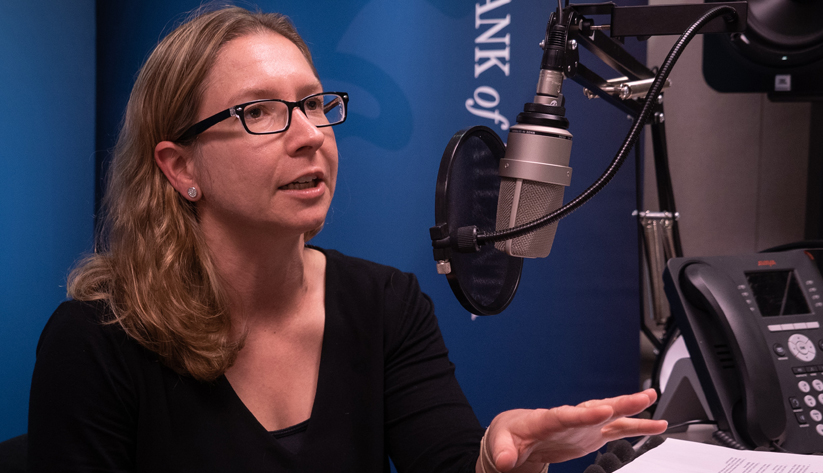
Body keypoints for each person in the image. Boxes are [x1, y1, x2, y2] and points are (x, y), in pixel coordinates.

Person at [27, 6, 666, 473]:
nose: (310, 134)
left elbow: (447, 463)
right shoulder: (97, 343)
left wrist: (497, 463)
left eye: (312, 104)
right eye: (261, 112)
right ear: (180, 167)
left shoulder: (383, 303)